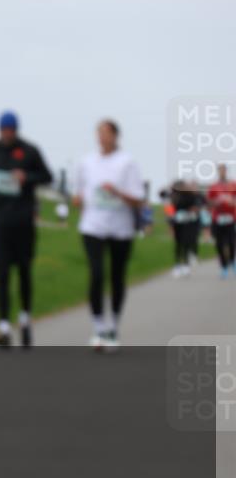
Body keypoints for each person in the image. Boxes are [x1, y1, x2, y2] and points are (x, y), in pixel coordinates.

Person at [0, 111, 53, 349]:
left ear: (16, 129)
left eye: (10, 129)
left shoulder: (30, 151)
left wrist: (26, 177)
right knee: (1, 273)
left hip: (23, 222)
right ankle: (3, 326)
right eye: (3, 129)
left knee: (24, 271)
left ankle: (25, 318)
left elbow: (47, 176)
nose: (6, 133)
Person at [72, 120, 145, 352]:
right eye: (99, 133)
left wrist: (117, 192)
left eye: (106, 133)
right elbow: (78, 194)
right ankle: (98, 327)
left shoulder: (127, 163)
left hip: (120, 228)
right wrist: (78, 201)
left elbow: (138, 199)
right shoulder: (86, 162)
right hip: (92, 227)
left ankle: (113, 325)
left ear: (116, 136)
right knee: (96, 273)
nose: (102, 137)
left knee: (116, 276)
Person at [207, 164, 236, 278]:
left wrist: (232, 202)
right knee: (219, 243)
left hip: (231, 218)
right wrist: (216, 202)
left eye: (224, 170)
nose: (222, 172)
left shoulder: (233, 184)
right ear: (218, 172)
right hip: (217, 218)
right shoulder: (213, 186)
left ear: (226, 171)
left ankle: (232, 261)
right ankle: (223, 267)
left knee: (231, 242)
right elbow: (209, 202)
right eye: (220, 171)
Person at [169, 180, 201, 278]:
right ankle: (178, 265)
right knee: (178, 244)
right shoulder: (174, 196)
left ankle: (186, 265)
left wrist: (192, 209)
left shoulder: (191, 196)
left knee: (186, 243)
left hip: (188, 222)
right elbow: (173, 207)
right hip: (178, 222)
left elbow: (196, 207)